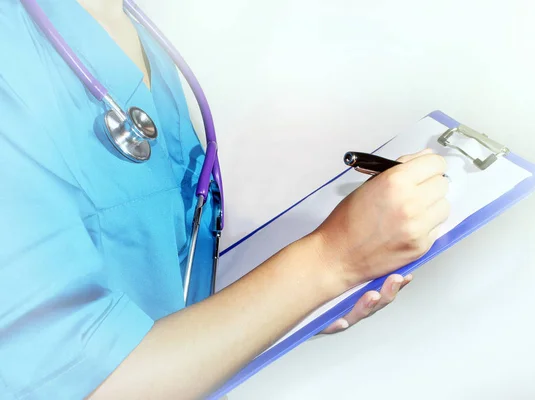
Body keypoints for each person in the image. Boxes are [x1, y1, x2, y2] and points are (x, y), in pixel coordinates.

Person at [0, 0, 450, 398]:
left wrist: (279, 304)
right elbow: (81, 383)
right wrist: (331, 261)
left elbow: (163, 273)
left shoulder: (132, 30)